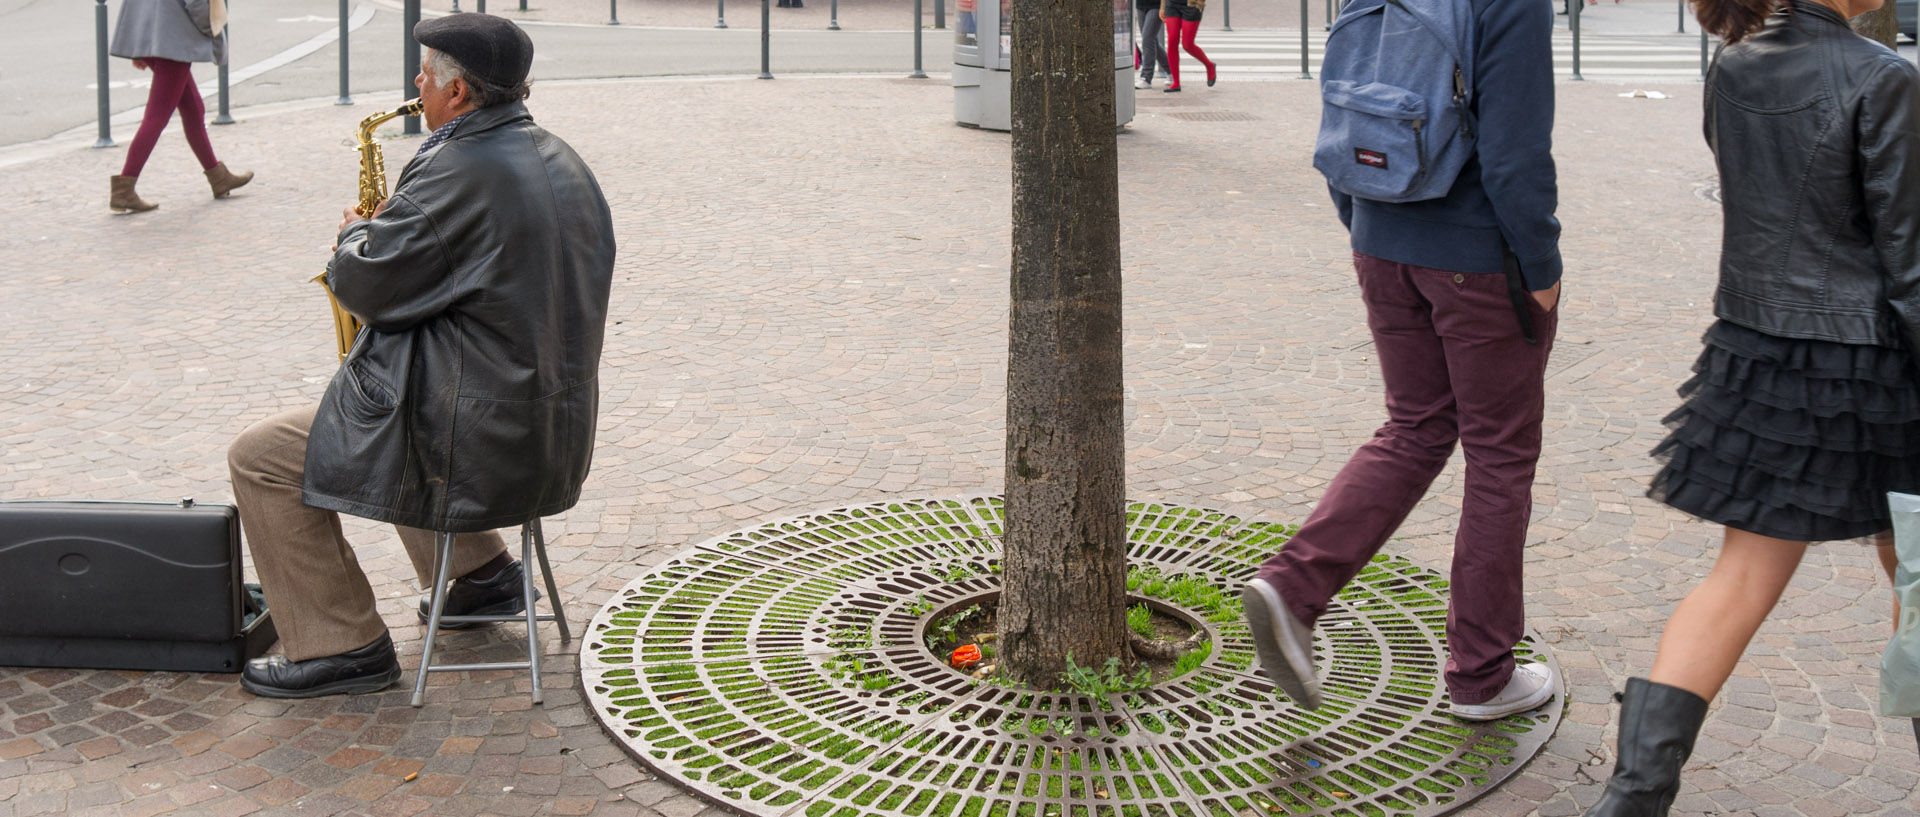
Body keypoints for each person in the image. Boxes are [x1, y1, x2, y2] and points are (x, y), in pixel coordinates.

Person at [1581, 0, 1920, 811]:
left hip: (1761, 353)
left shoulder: (1732, 65)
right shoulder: (1886, 76)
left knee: (1737, 580)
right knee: (1915, 577)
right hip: (1874, 366)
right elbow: (1909, 259)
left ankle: (1630, 799)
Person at [228, 14, 617, 698]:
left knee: (261, 455)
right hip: (549, 430)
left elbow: (369, 286)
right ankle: (481, 576)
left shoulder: (455, 167)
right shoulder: (561, 156)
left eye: (427, 76)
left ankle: (339, 644)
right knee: (409, 400)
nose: (417, 85)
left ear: (460, 94)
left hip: (480, 442)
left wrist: (356, 235)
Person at [1241, 0, 1563, 722]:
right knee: (1499, 457)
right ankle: (1482, 673)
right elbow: (1515, 153)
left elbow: (1342, 110)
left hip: (1380, 236)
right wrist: (1540, 264)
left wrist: (1368, 226)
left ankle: (1294, 589)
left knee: (1415, 427)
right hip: (1477, 255)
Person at [107, 0, 252, 213]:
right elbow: (197, 4)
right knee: (157, 116)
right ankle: (123, 190)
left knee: (193, 108)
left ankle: (218, 177)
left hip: (155, 34)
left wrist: (141, 47)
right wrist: (210, 30)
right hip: (173, 39)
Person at [1160, 0, 1215, 92]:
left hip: (1192, 5)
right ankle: (1176, 83)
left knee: (1187, 44)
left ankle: (1209, 65)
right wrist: (1163, 7)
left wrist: (1200, 3)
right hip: (1171, 4)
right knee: (1172, 41)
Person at [1134, 0, 1170, 89]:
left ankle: (1146, 77)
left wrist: (1164, 7)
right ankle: (1172, 71)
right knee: (1152, 42)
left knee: (1147, 40)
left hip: (1156, 5)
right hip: (1141, 5)